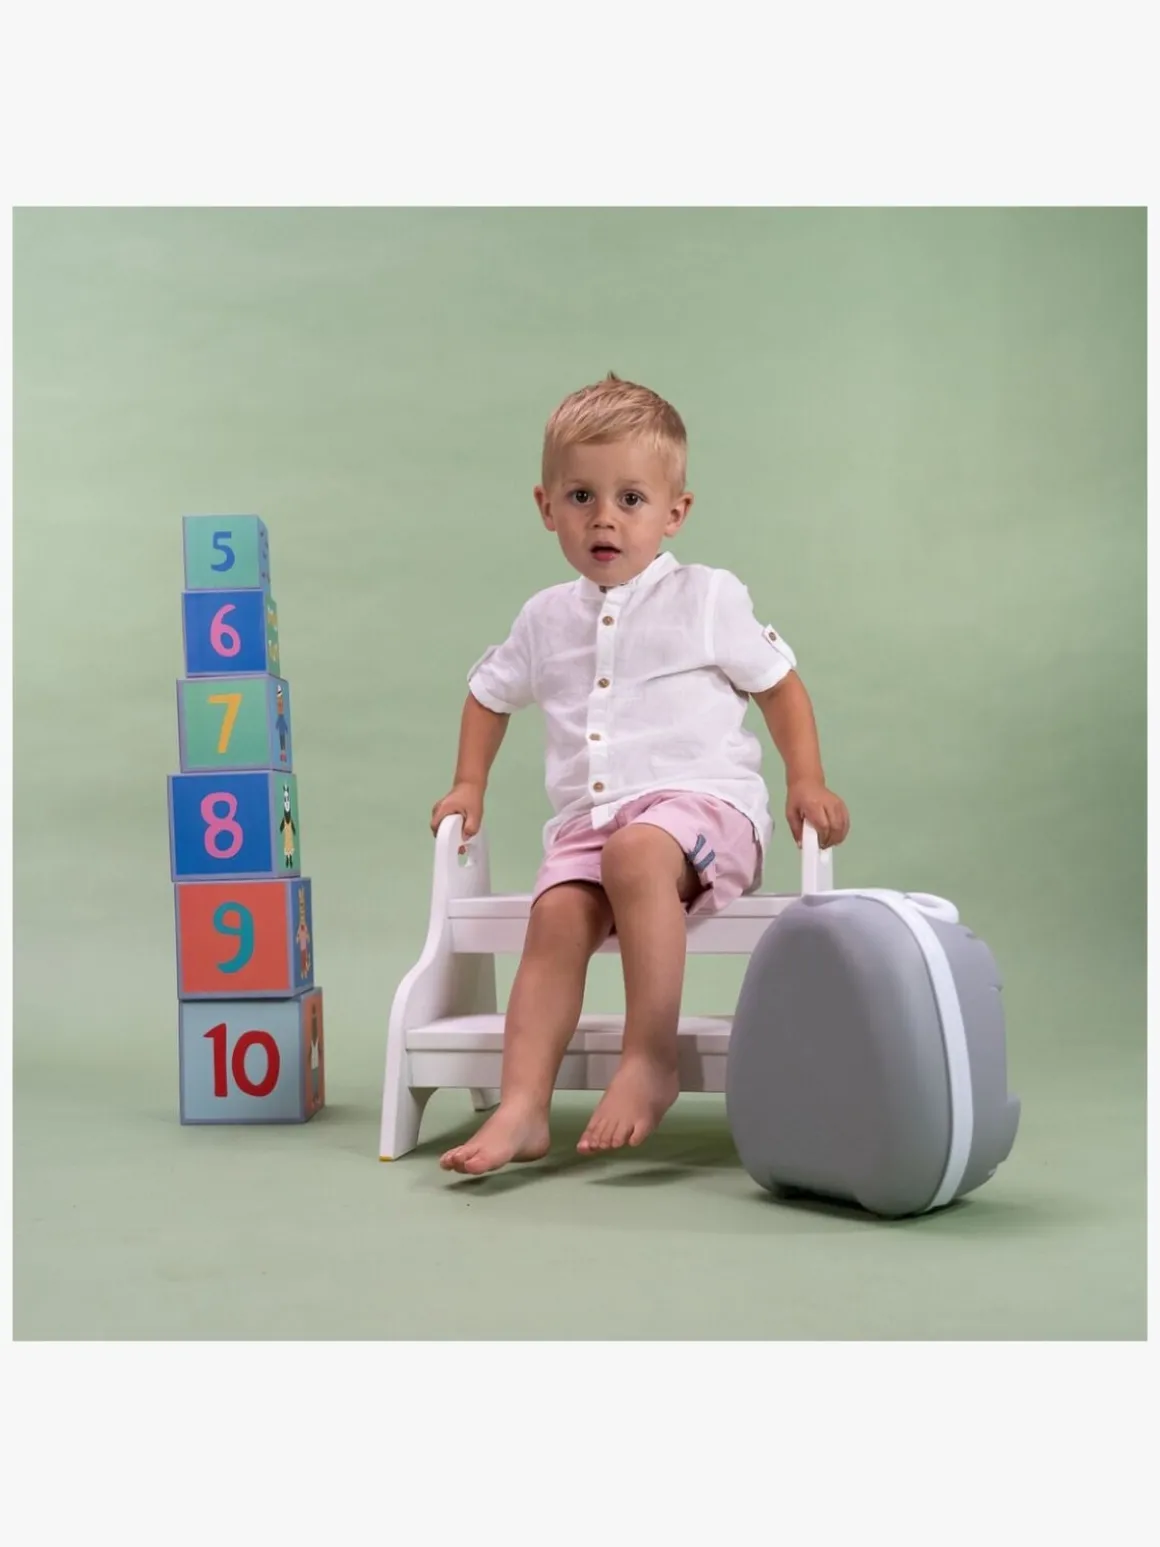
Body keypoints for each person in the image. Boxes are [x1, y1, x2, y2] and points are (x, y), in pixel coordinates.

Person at [431, 374, 850, 1175]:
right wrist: (469, 784)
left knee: (636, 852)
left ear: (675, 512)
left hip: (706, 811)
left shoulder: (706, 597)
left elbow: (779, 686)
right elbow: (488, 694)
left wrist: (807, 779)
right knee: (556, 914)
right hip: (591, 827)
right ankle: (522, 1106)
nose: (605, 518)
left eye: (631, 499)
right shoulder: (544, 617)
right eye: (581, 496)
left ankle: (650, 1056)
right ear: (546, 507)